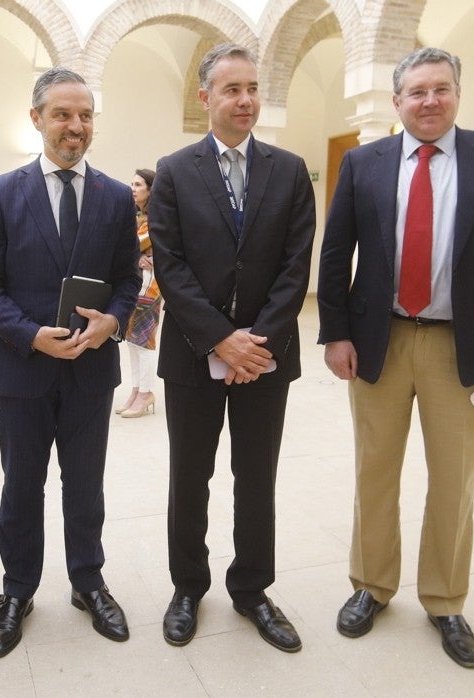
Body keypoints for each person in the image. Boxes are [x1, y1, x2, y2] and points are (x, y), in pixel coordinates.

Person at [316, 47, 474, 669]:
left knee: (455, 479)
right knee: (375, 472)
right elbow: (336, 256)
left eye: (441, 89)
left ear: (457, 94)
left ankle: (445, 599)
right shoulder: (364, 163)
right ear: (396, 102)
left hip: (461, 346)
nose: (429, 101)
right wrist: (335, 331)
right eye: (416, 91)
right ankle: (371, 586)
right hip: (378, 343)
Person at [0, 67, 141, 659]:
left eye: (85, 115)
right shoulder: (1, 192)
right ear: (36, 118)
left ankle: (88, 582)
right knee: (21, 486)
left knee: (85, 486)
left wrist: (114, 319)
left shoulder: (116, 196)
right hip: (22, 369)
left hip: (90, 370)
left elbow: (127, 278)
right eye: (63, 114)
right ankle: (17, 592)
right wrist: (29, 334)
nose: (76, 126)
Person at [150, 43, 316, 653]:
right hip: (194, 354)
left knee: (256, 477)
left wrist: (255, 345)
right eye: (232, 90)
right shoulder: (174, 170)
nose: (246, 100)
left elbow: (296, 266)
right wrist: (221, 338)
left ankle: (252, 589)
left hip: (265, 360)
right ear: (206, 99)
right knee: (189, 477)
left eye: (252, 89)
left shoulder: (290, 169)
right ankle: (188, 586)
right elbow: (169, 265)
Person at [117, 168, 161, 419]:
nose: (132, 189)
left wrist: (139, 254)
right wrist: (138, 256)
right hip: (136, 283)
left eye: (138, 185)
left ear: (150, 190)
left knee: (144, 341)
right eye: (131, 184)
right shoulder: (137, 216)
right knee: (133, 340)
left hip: (150, 286)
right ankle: (136, 391)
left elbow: (129, 244)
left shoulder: (157, 218)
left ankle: (146, 393)